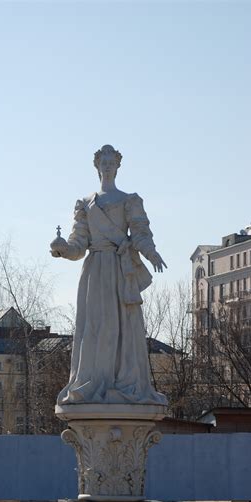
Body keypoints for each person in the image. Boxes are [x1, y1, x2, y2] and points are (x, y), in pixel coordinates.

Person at [50, 144, 167, 406]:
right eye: (103, 162)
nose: (107, 166)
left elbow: (140, 234)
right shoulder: (85, 204)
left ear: (117, 166)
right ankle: (95, 381)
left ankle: (122, 381)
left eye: (111, 162)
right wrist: (62, 250)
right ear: (96, 167)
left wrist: (152, 253)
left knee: (122, 326)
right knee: (95, 326)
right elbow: (78, 245)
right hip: (94, 271)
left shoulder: (129, 200)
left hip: (119, 269)